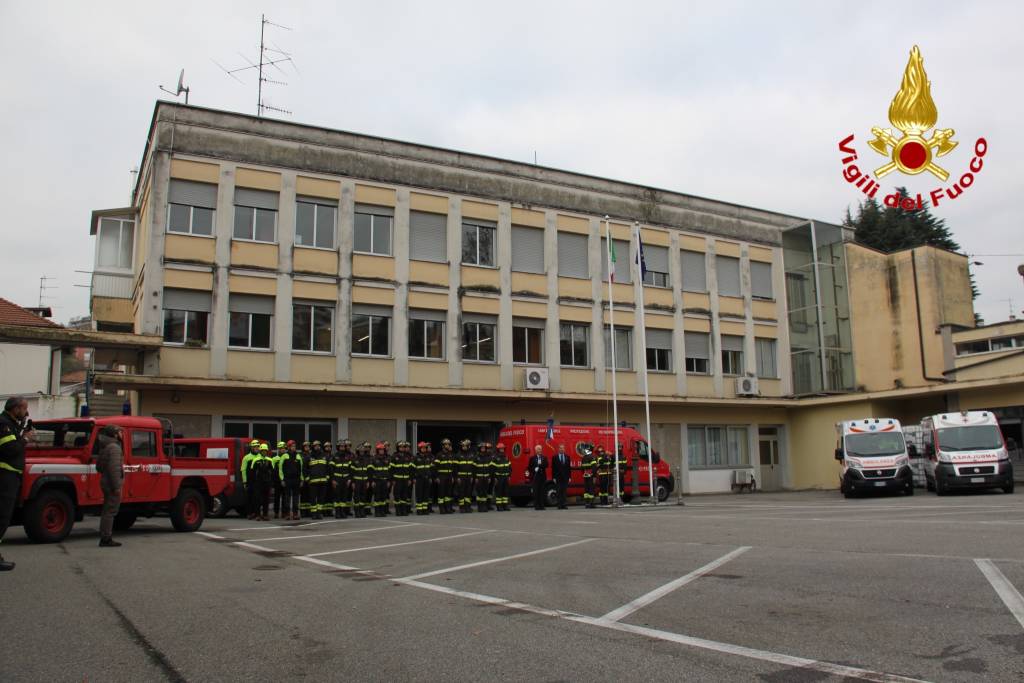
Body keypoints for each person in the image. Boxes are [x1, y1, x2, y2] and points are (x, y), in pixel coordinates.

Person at [0, 397, 34, 569]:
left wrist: (22, 429)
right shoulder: (4, 424)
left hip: (9, 476)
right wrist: (26, 438)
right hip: (5, 476)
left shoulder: (10, 423)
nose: (26, 412)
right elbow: (10, 449)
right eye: (24, 408)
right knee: (2, 516)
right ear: (15, 408)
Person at [95, 424, 125, 546]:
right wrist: (117, 486)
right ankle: (106, 538)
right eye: (119, 432)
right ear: (114, 434)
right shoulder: (115, 448)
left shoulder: (105, 447)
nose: (121, 434)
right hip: (112, 484)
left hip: (105, 482)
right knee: (111, 511)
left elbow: (99, 467)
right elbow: (114, 469)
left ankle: (105, 536)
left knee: (106, 510)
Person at [278, 440, 303, 521]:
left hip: (296, 480)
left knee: (296, 498)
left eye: (295, 446)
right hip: (287, 480)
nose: (294, 447)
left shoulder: (298, 456)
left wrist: (301, 479)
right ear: (288, 447)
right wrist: (282, 479)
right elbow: (280, 469)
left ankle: (295, 514)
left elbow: (301, 469)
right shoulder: (284, 456)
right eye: (292, 446)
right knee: (287, 498)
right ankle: (287, 514)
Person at [306, 442, 330, 520]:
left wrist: (327, 476)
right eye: (316, 446)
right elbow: (305, 468)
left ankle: (319, 513)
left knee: (321, 498)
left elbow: (328, 467)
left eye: (319, 445)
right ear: (313, 447)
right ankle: (313, 514)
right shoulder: (309, 456)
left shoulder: (324, 456)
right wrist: (307, 478)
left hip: (323, 481)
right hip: (313, 481)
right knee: (313, 498)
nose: (317, 447)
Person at [252, 443, 275, 521]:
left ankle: (265, 515)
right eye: (263, 451)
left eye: (265, 451)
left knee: (266, 500)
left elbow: (273, 472)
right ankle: (258, 515)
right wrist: (253, 482)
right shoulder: (256, 460)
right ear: (260, 451)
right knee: (257, 499)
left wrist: (271, 483)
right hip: (258, 483)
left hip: (267, 483)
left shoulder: (270, 460)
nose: (264, 452)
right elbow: (252, 472)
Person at [391, 441, 414, 517]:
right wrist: (393, 480)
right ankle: (398, 510)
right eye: (400, 447)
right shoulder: (394, 456)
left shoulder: (407, 456)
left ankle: (404, 510)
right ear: (398, 448)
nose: (402, 448)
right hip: (397, 480)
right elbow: (391, 469)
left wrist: (410, 479)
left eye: (403, 447)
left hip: (406, 479)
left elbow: (410, 469)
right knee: (397, 495)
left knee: (404, 495)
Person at [240, 439, 261, 519]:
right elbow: (243, 470)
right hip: (250, 481)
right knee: (249, 498)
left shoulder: (260, 457)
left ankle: (257, 514)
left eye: (257, 447)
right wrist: (245, 481)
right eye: (255, 447)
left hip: (259, 482)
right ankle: (249, 513)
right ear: (251, 448)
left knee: (257, 498)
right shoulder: (246, 457)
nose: (256, 448)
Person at [333, 439, 353, 519]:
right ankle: (337, 512)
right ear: (338, 447)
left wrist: (349, 479)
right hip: (337, 479)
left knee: (344, 497)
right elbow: (331, 469)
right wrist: (333, 480)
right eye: (341, 446)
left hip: (345, 480)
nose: (342, 448)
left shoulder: (348, 457)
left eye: (343, 446)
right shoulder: (334, 456)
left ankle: (342, 512)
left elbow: (350, 469)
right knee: (337, 496)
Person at [351, 442, 372, 519]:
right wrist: (353, 482)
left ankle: (362, 511)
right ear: (357, 452)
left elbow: (368, 472)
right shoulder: (354, 460)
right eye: (360, 451)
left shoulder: (366, 460)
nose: (362, 452)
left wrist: (367, 482)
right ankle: (357, 512)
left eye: (363, 451)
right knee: (357, 497)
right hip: (357, 481)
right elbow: (352, 472)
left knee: (363, 497)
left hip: (364, 481)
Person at [435, 438, 455, 514]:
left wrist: (452, 477)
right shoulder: (439, 455)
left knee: (448, 493)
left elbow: (452, 467)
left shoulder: (451, 455)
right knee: (441, 493)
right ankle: (442, 509)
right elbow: (435, 467)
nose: (447, 445)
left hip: (449, 476)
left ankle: (448, 508)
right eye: (445, 444)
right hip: (441, 476)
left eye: (448, 444)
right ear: (443, 446)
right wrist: (436, 477)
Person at [413, 441, 434, 516]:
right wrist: (414, 478)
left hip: (427, 478)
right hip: (419, 479)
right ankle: (419, 509)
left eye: (425, 448)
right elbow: (412, 469)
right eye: (422, 448)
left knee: (426, 494)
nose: (424, 449)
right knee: (419, 494)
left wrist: (430, 477)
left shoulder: (428, 457)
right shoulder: (416, 457)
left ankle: (425, 509)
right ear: (419, 449)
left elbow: (430, 469)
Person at [371, 442, 391, 517]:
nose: (382, 451)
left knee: (383, 496)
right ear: (377, 450)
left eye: (383, 450)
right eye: (380, 450)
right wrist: (372, 481)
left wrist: (389, 481)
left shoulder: (387, 459)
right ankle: (377, 512)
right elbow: (371, 471)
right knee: (377, 497)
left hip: (385, 481)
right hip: (377, 481)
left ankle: (382, 511)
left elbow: (389, 471)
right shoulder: (374, 459)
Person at [456, 439, 476, 513]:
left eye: (465, 446)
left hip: (469, 477)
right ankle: (462, 507)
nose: (464, 447)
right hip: (461, 477)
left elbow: (473, 467)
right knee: (461, 492)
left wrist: (472, 476)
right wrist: (457, 477)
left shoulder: (471, 455)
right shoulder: (458, 455)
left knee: (468, 492)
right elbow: (455, 467)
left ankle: (468, 506)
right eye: (463, 446)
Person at [527, 445, 548, 510]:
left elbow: (546, 464)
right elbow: (529, 467)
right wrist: (534, 469)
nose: (540, 450)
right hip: (535, 477)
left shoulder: (544, 457)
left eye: (540, 449)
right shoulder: (532, 458)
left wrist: (540, 465)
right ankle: (536, 505)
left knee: (542, 491)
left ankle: (542, 505)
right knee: (536, 491)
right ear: (535, 450)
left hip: (542, 477)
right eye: (538, 449)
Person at [552, 443, 572, 509]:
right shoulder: (555, 457)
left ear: (564, 449)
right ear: (558, 449)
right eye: (560, 448)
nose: (562, 449)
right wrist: (554, 477)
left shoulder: (567, 457)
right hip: (558, 477)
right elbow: (553, 468)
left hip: (565, 477)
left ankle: (564, 504)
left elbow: (569, 468)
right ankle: (559, 505)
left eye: (563, 448)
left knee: (564, 491)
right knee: (559, 491)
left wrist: (569, 477)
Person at [492, 442, 511, 511]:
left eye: (503, 448)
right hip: (499, 477)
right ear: (498, 449)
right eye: (500, 449)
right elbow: (492, 469)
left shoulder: (506, 456)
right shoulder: (495, 458)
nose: (502, 449)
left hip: (505, 477)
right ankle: (499, 506)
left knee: (505, 491)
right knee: (499, 492)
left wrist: (509, 475)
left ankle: (505, 505)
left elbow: (509, 467)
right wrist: (495, 477)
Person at [474, 443, 492, 513]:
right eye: (482, 448)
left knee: (485, 492)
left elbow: (490, 468)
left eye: (484, 448)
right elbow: (474, 468)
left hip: (486, 477)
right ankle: (480, 506)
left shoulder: (488, 457)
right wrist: (475, 477)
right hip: (479, 477)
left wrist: (489, 477)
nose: (483, 449)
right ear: (479, 449)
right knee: (480, 492)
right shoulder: (476, 457)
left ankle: (484, 506)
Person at [271, 441, 286, 519]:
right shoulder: (274, 459)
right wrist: (273, 481)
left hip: (285, 480)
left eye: (283, 448)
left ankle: (284, 513)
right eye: (281, 449)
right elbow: (272, 470)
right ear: (278, 449)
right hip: (277, 481)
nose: (282, 450)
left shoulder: (287, 457)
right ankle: (276, 512)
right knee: (276, 498)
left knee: (284, 498)